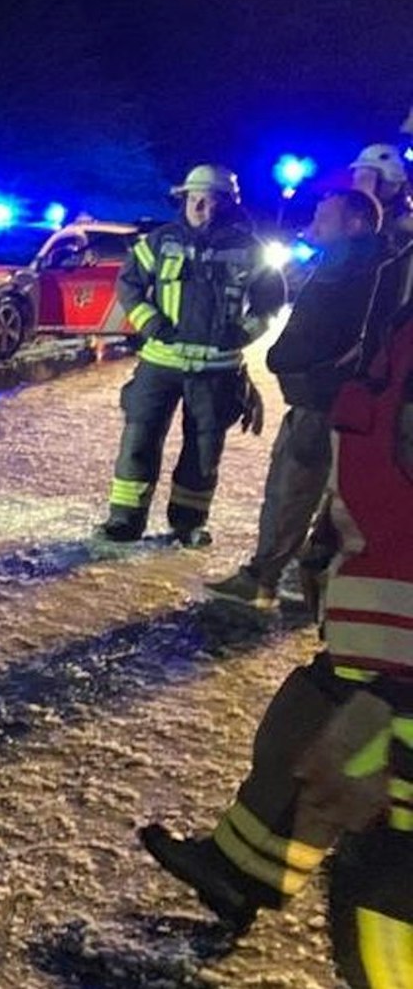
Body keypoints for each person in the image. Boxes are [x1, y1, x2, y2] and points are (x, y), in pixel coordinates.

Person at [140, 257, 413, 959]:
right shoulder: (393, 279)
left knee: (386, 894)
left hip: (398, 649)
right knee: (304, 728)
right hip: (381, 631)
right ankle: (239, 873)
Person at [205, 189, 385, 608]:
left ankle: (263, 579)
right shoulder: (356, 264)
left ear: (355, 223)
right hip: (321, 399)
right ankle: (310, 580)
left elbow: (353, 340)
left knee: (291, 490)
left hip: (321, 404)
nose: (315, 223)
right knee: (318, 494)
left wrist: (317, 376)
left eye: (326, 216)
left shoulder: (358, 270)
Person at [96, 164, 286, 545]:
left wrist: (240, 335)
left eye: (213, 199)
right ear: (183, 199)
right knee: (138, 441)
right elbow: (129, 285)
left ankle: (188, 523)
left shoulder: (251, 250)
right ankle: (124, 520)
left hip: (217, 370)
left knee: (203, 452)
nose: (204, 206)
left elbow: (270, 303)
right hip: (160, 363)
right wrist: (151, 324)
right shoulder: (159, 241)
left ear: (228, 204)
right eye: (196, 198)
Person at [348, 142, 413, 255]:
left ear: (393, 185)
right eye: (357, 178)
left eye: (366, 178)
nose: (359, 186)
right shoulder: (349, 219)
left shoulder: (404, 226)